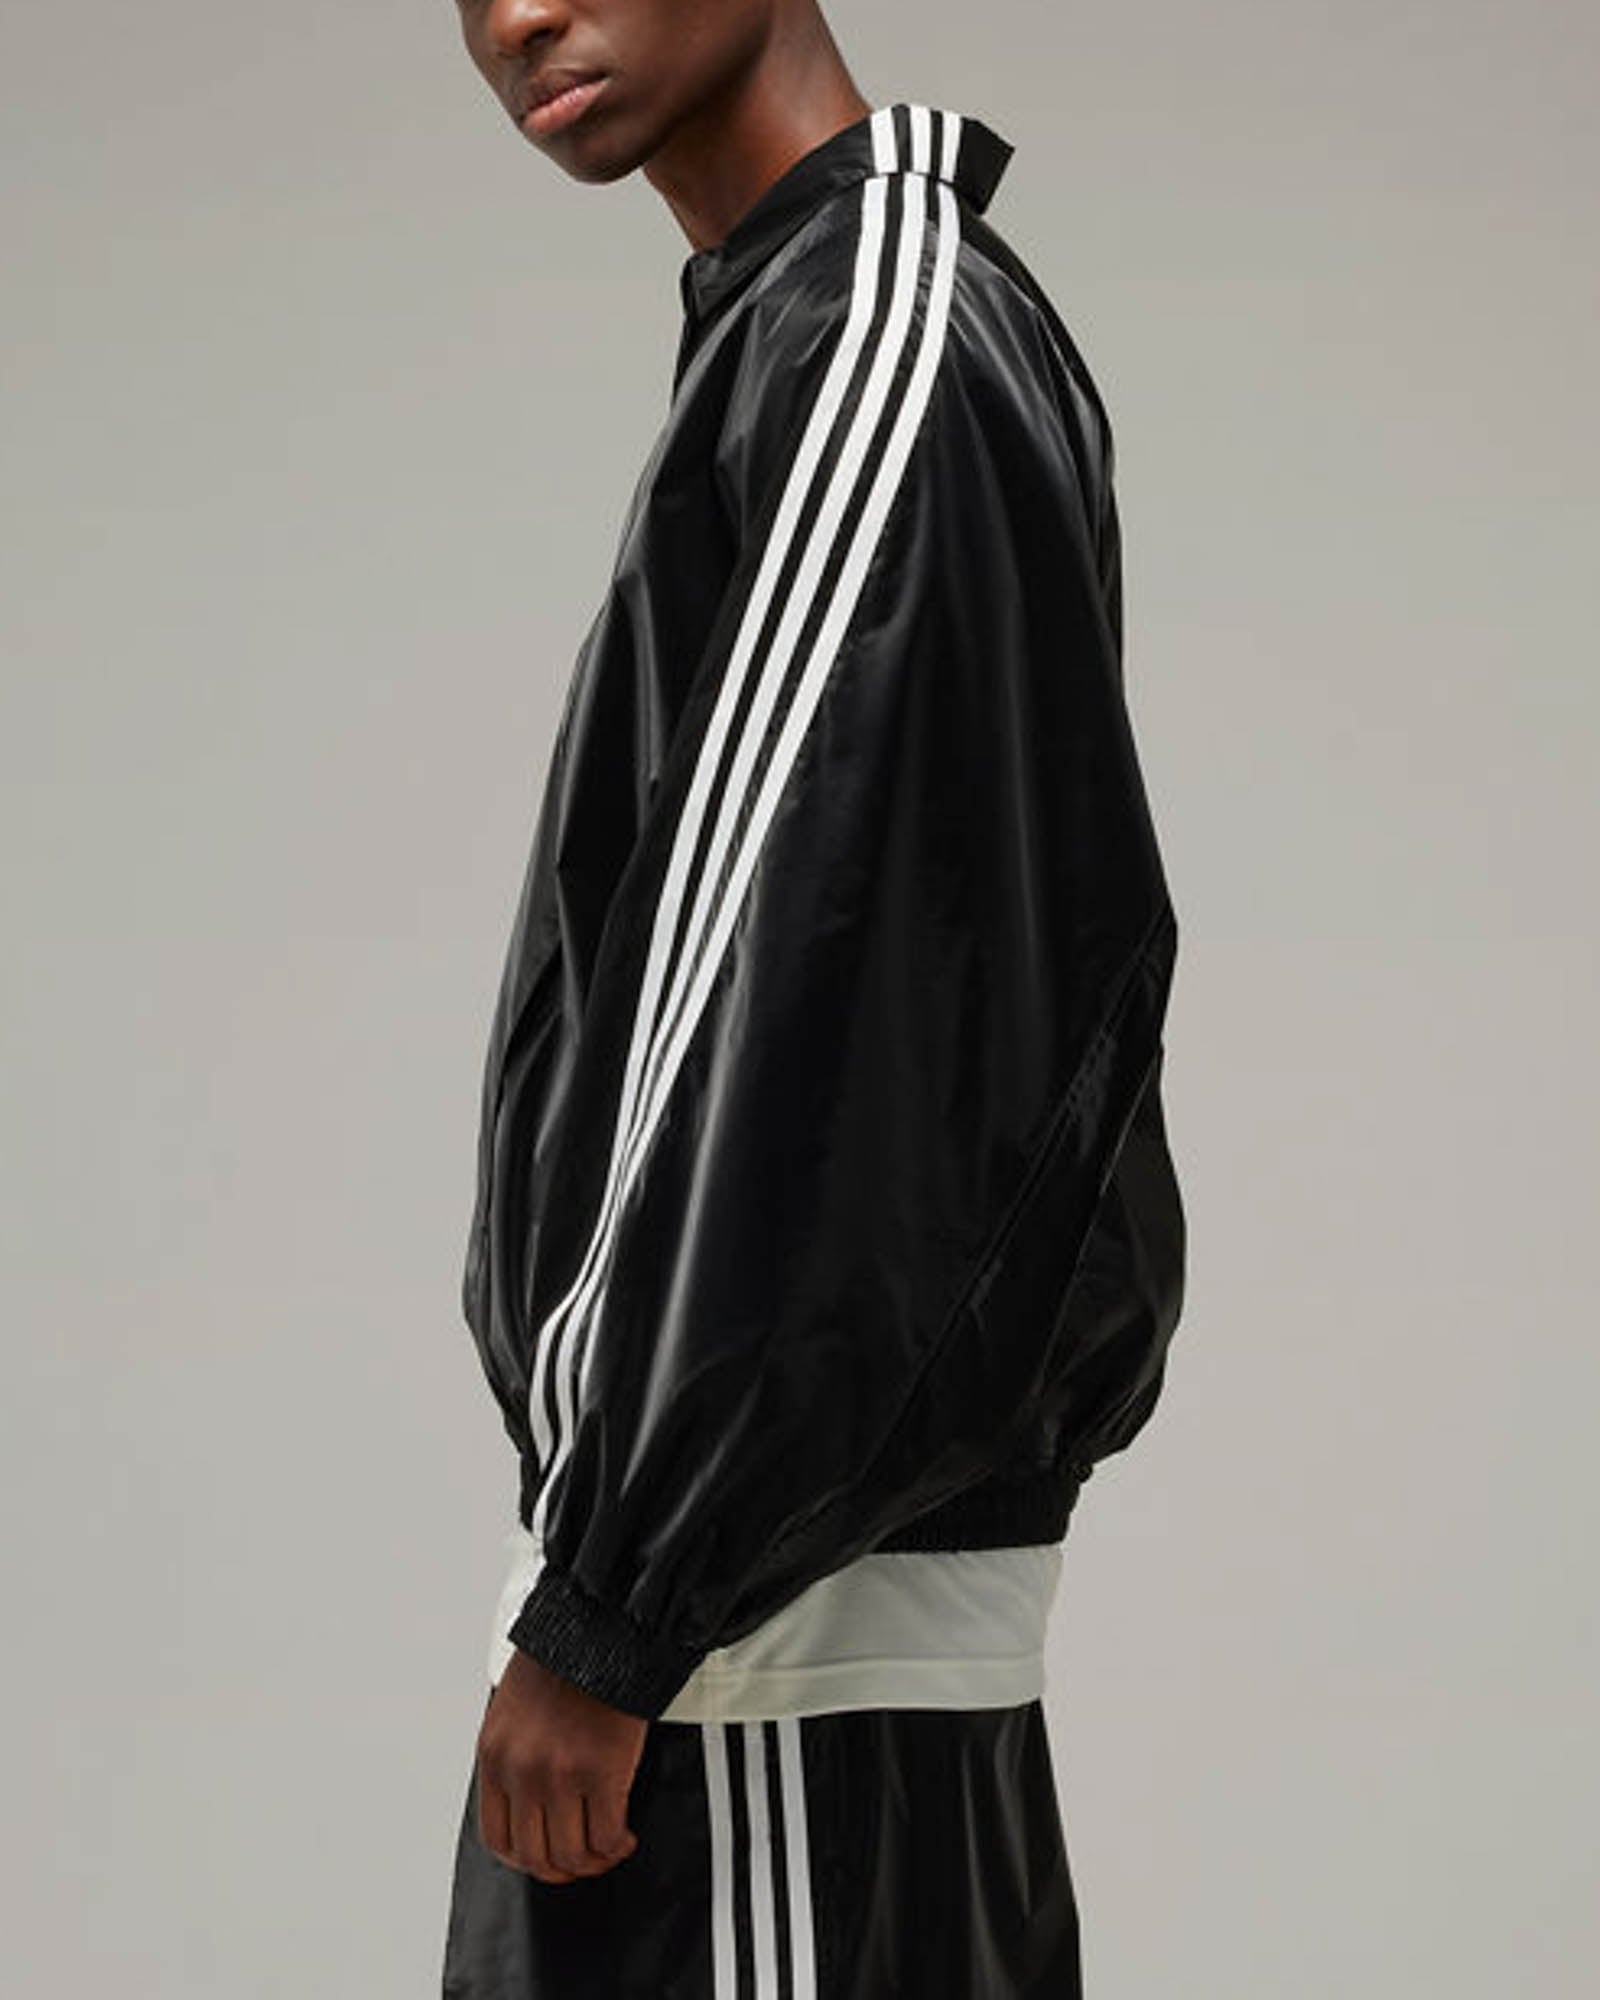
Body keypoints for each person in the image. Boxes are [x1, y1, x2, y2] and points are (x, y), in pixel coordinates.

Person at [440, 4, 1187, 1995]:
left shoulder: (871, 335)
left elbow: (815, 1020)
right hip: (759, 1620)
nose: (512, 15)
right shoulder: (814, 322)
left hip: (755, 1650)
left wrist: (621, 1596)